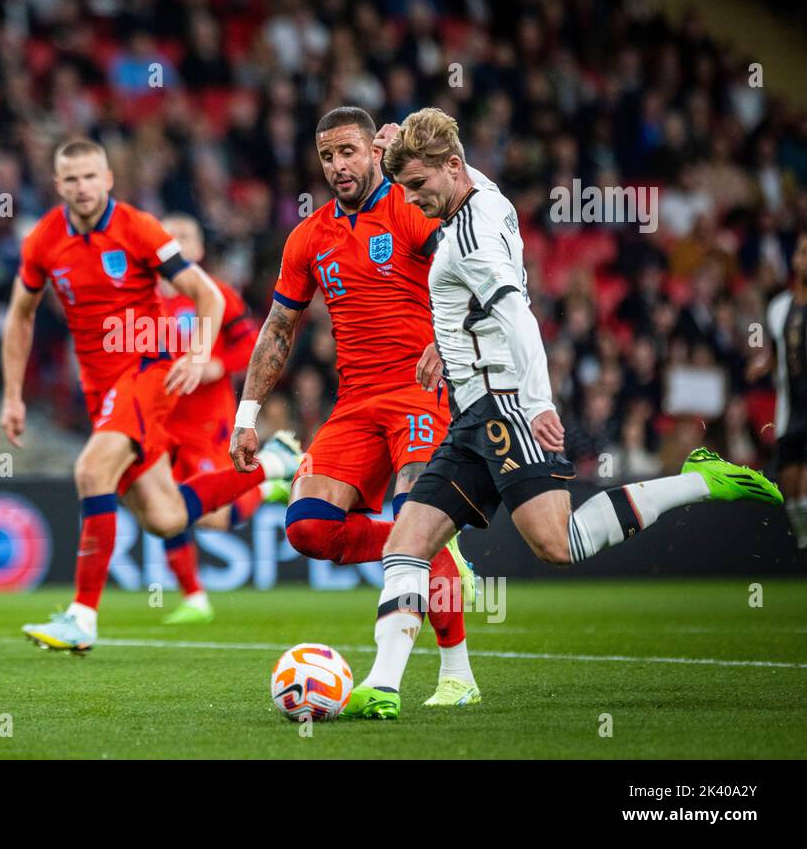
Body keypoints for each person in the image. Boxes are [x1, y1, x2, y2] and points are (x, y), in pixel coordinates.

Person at [352, 108, 781, 719]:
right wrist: (444, 343)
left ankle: (701, 478)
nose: (413, 201)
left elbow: (519, 320)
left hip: (501, 410)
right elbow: (450, 189)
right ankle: (384, 688)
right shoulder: (484, 193)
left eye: (418, 188)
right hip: (470, 414)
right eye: (407, 189)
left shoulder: (470, 240)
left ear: (451, 169)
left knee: (562, 544)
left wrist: (538, 404)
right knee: (408, 541)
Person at [1, 139, 301, 653]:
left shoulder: (138, 229)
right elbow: (20, 316)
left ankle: (82, 618)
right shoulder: (43, 241)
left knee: (92, 471)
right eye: (71, 180)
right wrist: (12, 396)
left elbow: (205, 294)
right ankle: (272, 466)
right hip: (100, 390)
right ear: (58, 186)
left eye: (91, 177)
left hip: (146, 371)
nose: (83, 188)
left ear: (109, 178)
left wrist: (197, 353)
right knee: (164, 518)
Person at [231, 107, 479, 709]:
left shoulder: (409, 206)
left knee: (414, 513)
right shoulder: (310, 236)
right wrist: (246, 414)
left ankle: (456, 675)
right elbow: (278, 328)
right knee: (308, 526)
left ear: (374, 150)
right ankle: (429, 547)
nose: (337, 166)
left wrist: (444, 343)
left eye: (348, 152)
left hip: (422, 391)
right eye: (326, 157)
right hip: (357, 403)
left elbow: (474, 271)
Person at [156, 213, 285, 625]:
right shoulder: (140, 301)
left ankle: (268, 483)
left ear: (198, 249)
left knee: (214, 517)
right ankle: (194, 596)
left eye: (184, 236)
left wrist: (217, 365)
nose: (174, 242)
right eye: (167, 236)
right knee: (161, 509)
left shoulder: (217, 295)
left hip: (207, 425)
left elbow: (253, 346)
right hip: (160, 427)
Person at [751, 231, 807, 563]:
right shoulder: (779, 308)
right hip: (790, 412)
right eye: (801, 252)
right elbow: (780, 350)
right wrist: (763, 364)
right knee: (792, 495)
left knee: (804, 493)